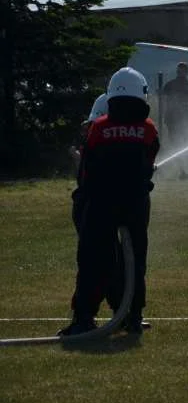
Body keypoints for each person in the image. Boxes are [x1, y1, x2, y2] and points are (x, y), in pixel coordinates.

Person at [59, 67, 160, 337]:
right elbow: (149, 164)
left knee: (92, 260)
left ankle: (83, 318)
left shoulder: (99, 129)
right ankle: (133, 316)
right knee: (135, 262)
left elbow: (87, 171)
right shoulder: (149, 130)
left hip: (100, 203)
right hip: (136, 204)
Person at [161, 61, 188, 179]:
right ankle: (182, 171)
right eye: (178, 71)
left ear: (186, 73)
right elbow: (164, 99)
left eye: (182, 71)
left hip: (186, 120)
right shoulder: (170, 85)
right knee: (176, 146)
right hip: (172, 120)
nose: (179, 73)